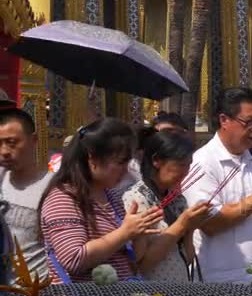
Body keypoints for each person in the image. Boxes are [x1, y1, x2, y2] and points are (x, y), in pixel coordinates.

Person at [184, 87, 252, 287]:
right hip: (224, 280)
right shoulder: (203, 162)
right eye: (248, 122)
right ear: (224, 120)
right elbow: (209, 223)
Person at [38, 118, 164, 284]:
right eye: (120, 162)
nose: (125, 170)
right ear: (93, 158)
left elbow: (131, 257)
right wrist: (125, 232)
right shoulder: (63, 198)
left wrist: (138, 233)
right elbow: (74, 259)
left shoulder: (111, 196)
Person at [122, 131, 211, 282]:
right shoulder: (137, 198)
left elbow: (186, 259)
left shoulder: (178, 200)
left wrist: (190, 228)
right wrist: (181, 225)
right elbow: (141, 266)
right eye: (180, 165)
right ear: (157, 160)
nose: (186, 172)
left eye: (188, 165)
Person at [0, 108, 53, 282]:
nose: (4, 151)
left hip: (34, 292)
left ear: (34, 140)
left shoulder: (54, 188)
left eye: (12, 142)